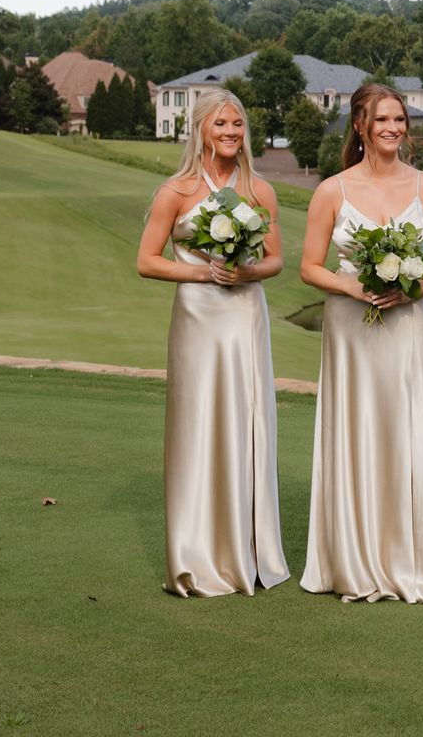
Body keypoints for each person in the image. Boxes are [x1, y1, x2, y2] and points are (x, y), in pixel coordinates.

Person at [298, 83, 423, 603]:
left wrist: (412, 285)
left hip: (410, 323)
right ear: (360, 126)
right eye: (383, 120)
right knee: (356, 427)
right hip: (351, 327)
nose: (393, 128)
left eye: (400, 119)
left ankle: (410, 558)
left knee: (405, 427)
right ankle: (351, 555)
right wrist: (352, 285)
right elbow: (309, 267)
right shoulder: (333, 190)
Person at [136, 91, 288, 596]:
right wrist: (201, 272)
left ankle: (248, 551)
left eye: (238, 124)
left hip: (245, 314)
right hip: (198, 318)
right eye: (221, 123)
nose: (230, 132)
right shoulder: (175, 191)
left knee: (247, 422)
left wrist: (245, 269)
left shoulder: (259, 190)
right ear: (201, 129)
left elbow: (275, 261)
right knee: (197, 424)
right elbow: (148, 261)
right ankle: (194, 552)